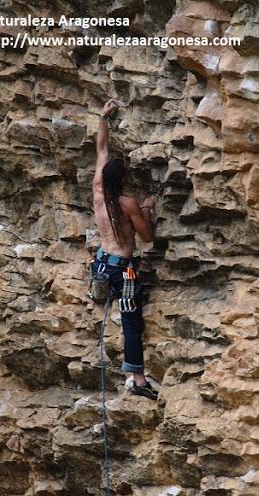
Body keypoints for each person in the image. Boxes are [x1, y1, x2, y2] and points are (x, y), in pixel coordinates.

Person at [91, 98, 158, 400]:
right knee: (131, 321)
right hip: (123, 270)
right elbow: (147, 238)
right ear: (124, 180)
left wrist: (104, 118)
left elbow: (101, 150)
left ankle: (134, 376)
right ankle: (138, 380)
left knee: (123, 315)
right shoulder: (127, 203)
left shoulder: (97, 191)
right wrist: (147, 209)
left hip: (101, 264)